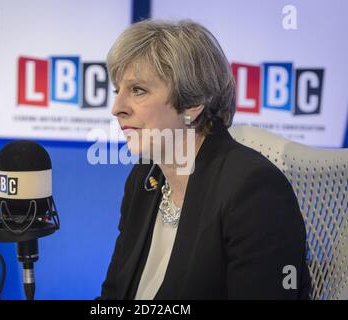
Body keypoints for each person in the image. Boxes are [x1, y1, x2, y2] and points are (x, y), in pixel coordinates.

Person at [97, 19, 311, 300]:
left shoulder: (254, 191)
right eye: (118, 91)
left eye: (138, 90)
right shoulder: (144, 179)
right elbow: (113, 296)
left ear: (192, 103)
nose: (117, 108)